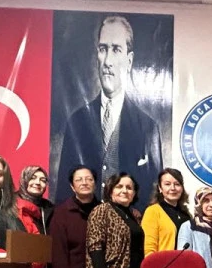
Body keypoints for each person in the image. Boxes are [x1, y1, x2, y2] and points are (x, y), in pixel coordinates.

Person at [55, 14, 163, 201]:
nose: (107, 61)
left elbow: (154, 195)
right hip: (87, 218)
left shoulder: (148, 127)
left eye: (116, 50)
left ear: (129, 60)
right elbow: (64, 192)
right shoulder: (77, 121)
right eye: (103, 49)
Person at [85, 172, 145, 268]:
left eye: (129, 188)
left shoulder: (134, 215)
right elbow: (95, 249)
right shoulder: (101, 210)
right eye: (119, 186)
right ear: (110, 190)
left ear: (134, 193)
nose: (124, 191)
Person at [49, 165, 100, 268]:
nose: (84, 183)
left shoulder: (103, 210)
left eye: (89, 179)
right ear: (72, 186)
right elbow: (58, 252)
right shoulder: (61, 213)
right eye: (79, 180)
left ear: (95, 184)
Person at [142, 167, 191, 255]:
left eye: (177, 184)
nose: (173, 188)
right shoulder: (153, 212)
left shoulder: (186, 215)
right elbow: (149, 249)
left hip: (185, 263)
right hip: (163, 263)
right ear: (160, 188)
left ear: (182, 188)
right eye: (167, 184)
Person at [17, 165, 55, 234]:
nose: (37, 182)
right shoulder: (10, 202)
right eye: (33, 178)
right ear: (24, 180)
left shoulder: (49, 208)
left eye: (43, 180)